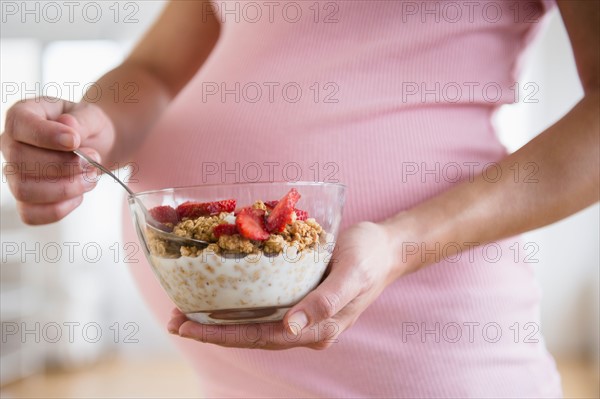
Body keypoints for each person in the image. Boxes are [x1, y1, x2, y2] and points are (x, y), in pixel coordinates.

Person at [2, 0, 598, 397]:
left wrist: (401, 245)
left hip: (421, 351)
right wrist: (89, 127)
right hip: (233, 370)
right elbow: (156, 69)